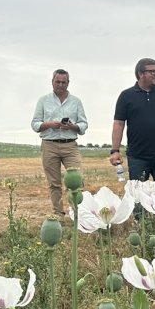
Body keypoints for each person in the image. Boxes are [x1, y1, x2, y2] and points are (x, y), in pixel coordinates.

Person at [31, 69, 89, 216]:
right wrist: (50, 124)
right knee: (54, 183)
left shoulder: (76, 101)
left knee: (77, 181)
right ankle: (58, 214)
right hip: (49, 144)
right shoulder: (43, 101)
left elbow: (83, 125)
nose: (60, 85)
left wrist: (72, 126)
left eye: (64, 82)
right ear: (52, 82)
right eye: (58, 82)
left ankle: (77, 213)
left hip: (70, 144)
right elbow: (35, 124)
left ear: (68, 83)